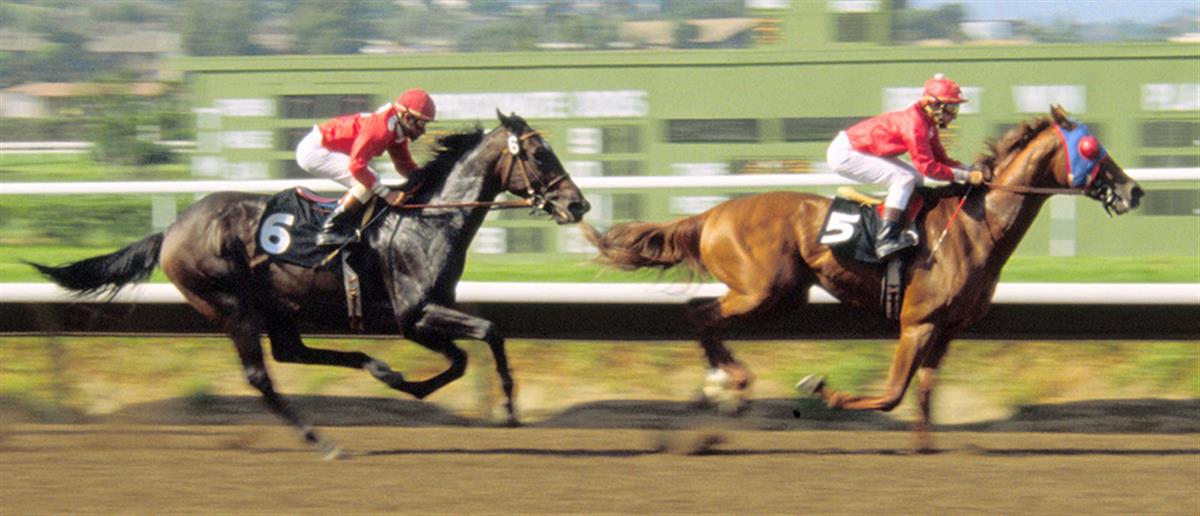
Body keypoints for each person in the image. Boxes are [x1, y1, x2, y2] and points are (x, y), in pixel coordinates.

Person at [826, 73, 984, 260]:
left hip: (862, 150)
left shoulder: (927, 123)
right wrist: (965, 177)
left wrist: (968, 169)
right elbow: (928, 167)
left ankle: (905, 225)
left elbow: (940, 159)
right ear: (934, 105)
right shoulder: (915, 124)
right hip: (846, 153)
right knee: (904, 178)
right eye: (950, 108)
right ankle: (885, 239)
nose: (953, 115)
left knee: (914, 177)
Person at [295, 88, 437, 247]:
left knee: (371, 181)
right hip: (315, 151)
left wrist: (429, 178)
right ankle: (329, 230)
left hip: (324, 148)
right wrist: (387, 194)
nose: (423, 131)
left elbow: (404, 165)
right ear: (407, 117)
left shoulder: (396, 129)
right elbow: (356, 166)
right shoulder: (381, 128)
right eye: (421, 124)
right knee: (371, 180)